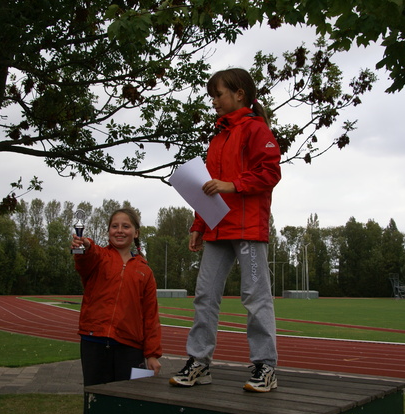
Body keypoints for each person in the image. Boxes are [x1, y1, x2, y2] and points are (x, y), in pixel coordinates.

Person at [169, 68, 281, 392]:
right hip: (217, 230)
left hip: (247, 230)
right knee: (204, 296)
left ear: (239, 95)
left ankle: (265, 367)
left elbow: (270, 172)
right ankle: (199, 364)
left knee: (255, 297)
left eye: (219, 94)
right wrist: (198, 225)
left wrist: (234, 185)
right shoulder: (216, 139)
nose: (214, 101)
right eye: (213, 95)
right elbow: (208, 187)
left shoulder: (257, 130)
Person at [72, 207, 162, 387]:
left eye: (126, 226)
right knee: (97, 400)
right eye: (114, 226)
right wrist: (86, 244)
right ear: (108, 232)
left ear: (136, 233)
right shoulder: (98, 258)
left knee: (129, 402)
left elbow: (151, 316)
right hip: (94, 342)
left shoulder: (145, 270)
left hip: (130, 347)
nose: (120, 230)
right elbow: (88, 255)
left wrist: (152, 354)